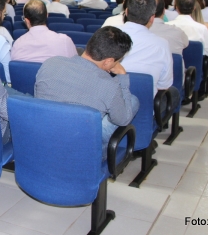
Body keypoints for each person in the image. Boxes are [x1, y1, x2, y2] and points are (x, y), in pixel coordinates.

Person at [35, 26, 139, 159]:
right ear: (108, 61)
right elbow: (123, 120)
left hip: (43, 139)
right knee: (132, 101)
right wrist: (122, 77)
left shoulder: (50, 63)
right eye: (118, 61)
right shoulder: (110, 85)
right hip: (83, 152)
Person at [120, 0, 173, 96]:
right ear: (152, 18)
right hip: (145, 101)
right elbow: (164, 85)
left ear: (126, 12)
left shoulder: (105, 34)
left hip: (106, 101)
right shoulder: (162, 45)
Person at [11, 0, 76, 63]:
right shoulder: (65, 41)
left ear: (27, 21)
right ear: (47, 15)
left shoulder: (17, 44)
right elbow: (76, 66)